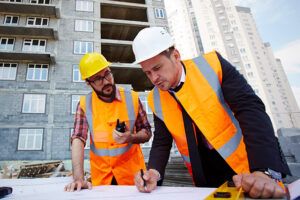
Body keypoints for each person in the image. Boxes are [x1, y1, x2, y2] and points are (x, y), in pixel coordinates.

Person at [132, 27, 291, 199]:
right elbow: (162, 142)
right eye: (147, 72)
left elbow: (250, 110)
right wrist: (154, 172)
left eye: (157, 68)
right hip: (204, 177)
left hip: (247, 168)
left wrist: (264, 170)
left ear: (176, 56)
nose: (154, 78)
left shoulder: (213, 65)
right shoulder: (155, 98)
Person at [64, 52, 152, 192]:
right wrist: (78, 178)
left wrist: (132, 137)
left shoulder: (132, 98)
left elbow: (147, 132)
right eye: (98, 79)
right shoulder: (84, 104)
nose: (106, 81)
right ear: (88, 83)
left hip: (134, 179)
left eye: (107, 74)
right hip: (102, 181)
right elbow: (78, 139)